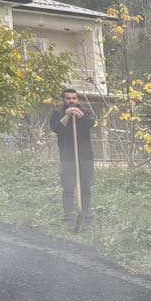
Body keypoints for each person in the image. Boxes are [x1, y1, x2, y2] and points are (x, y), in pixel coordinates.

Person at [49, 87, 95, 222]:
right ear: (63, 100)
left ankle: (86, 214)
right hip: (67, 158)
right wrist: (67, 115)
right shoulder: (57, 113)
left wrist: (79, 114)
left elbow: (91, 123)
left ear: (77, 99)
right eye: (68, 98)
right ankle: (68, 216)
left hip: (85, 157)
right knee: (68, 187)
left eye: (73, 98)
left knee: (85, 188)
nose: (71, 101)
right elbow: (56, 128)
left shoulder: (86, 112)